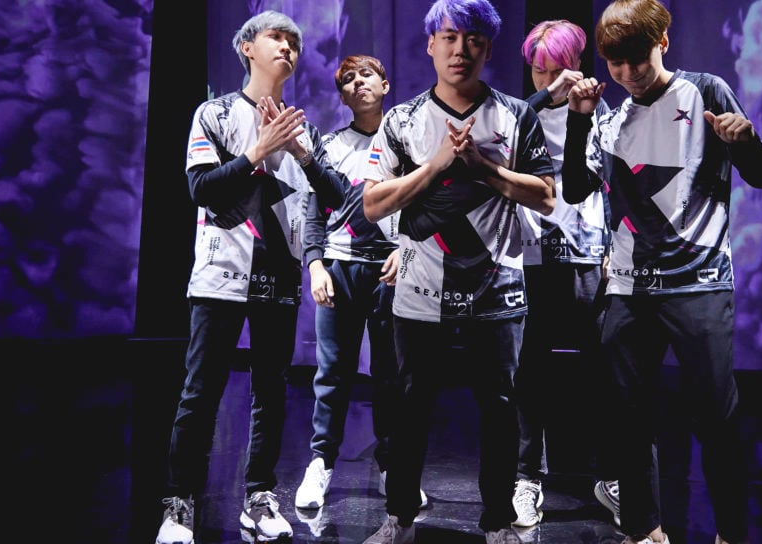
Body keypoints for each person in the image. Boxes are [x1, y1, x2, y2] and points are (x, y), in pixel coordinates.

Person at [562, 1, 762, 543]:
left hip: (699, 283)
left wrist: (745, 141)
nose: (627, 73)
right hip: (628, 288)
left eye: (636, 58)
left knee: (717, 417)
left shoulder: (706, 92)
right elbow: (575, 189)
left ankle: (730, 533)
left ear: (663, 42)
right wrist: (579, 118)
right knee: (629, 417)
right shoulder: (612, 119)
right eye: (615, 63)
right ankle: (644, 530)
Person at [359, 0, 556, 542]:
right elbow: (372, 205)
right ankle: (399, 517)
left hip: (498, 292)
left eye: (472, 39)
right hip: (419, 293)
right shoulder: (402, 120)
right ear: (430, 45)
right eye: (448, 37)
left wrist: (481, 167)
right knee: (409, 407)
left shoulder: (516, 115)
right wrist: (436, 165)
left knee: (500, 410)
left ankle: (497, 521)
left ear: (488, 48)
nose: (459, 49)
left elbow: (545, 197)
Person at [154, 10, 345, 544]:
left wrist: (302, 153)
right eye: (275, 38)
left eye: (293, 42)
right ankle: (178, 505)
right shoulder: (214, 114)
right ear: (247, 48)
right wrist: (258, 150)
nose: (287, 47)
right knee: (200, 394)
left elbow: (337, 200)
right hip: (220, 274)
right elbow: (201, 189)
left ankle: (259, 498)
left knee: (271, 393)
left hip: (278, 279)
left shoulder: (303, 128)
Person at [294, 54, 428, 512]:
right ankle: (320, 463)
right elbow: (315, 213)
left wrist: (405, 250)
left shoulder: (407, 146)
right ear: (342, 95)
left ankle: (392, 467)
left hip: (392, 271)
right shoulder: (330, 145)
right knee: (332, 373)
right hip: (340, 268)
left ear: (385, 85)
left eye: (366, 75)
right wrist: (315, 266)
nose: (358, 83)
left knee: (390, 375)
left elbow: (425, 208)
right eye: (348, 79)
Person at [511, 19, 618, 529]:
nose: (549, 79)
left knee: (604, 371)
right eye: (539, 70)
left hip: (588, 254)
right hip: (530, 256)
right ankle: (525, 478)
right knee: (529, 370)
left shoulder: (599, 113)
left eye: (558, 69)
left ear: (576, 64)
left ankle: (612, 476)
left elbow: (615, 184)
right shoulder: (518, 114)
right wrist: (543, 96)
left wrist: (614, 247)